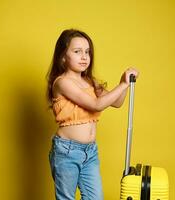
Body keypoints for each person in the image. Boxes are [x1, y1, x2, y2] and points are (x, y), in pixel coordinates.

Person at [46, 28, 139, 200]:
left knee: (94, 197)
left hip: (90, 151)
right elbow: (96, 105)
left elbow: (117, 102)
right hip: (67, 151)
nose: (84, 56)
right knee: (66, 197)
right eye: (77, 51)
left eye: (87, 52)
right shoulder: (62, 83)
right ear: (63, 56)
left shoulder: (90, 81)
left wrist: (122, 81)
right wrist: (123, 85)